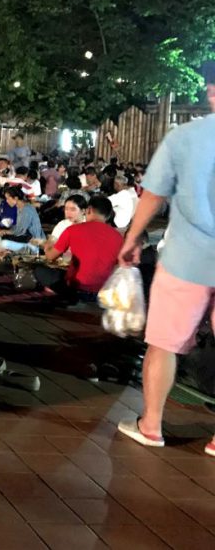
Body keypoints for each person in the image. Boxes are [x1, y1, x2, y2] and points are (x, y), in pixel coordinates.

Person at [117, 63, 215, 454]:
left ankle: (152, 425)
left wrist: (132, 237)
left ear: (211, 93)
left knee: (163, 344)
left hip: (186, 259)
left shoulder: (185, 137)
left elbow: (153, 193)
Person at [35, 195, 120, 303]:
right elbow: (117, 265)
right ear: (108, 215)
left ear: (88, 210)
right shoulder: (117, 236)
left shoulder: (73, 230)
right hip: (104, 291)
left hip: (77, 289)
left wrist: (47, 247)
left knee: (40, 271)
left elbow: (50, 256)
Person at [0, 187, 44, 255]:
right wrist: (0, 231)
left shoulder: (27, 210)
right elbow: (16, 228)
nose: (7, 201)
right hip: (22, 239)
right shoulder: (19, 208)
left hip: (33, 244)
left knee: (4, 243)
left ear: (16, 198)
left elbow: (20, 232)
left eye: (8, 198)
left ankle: (7, 248)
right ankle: (7, 248)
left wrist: (4, 232)